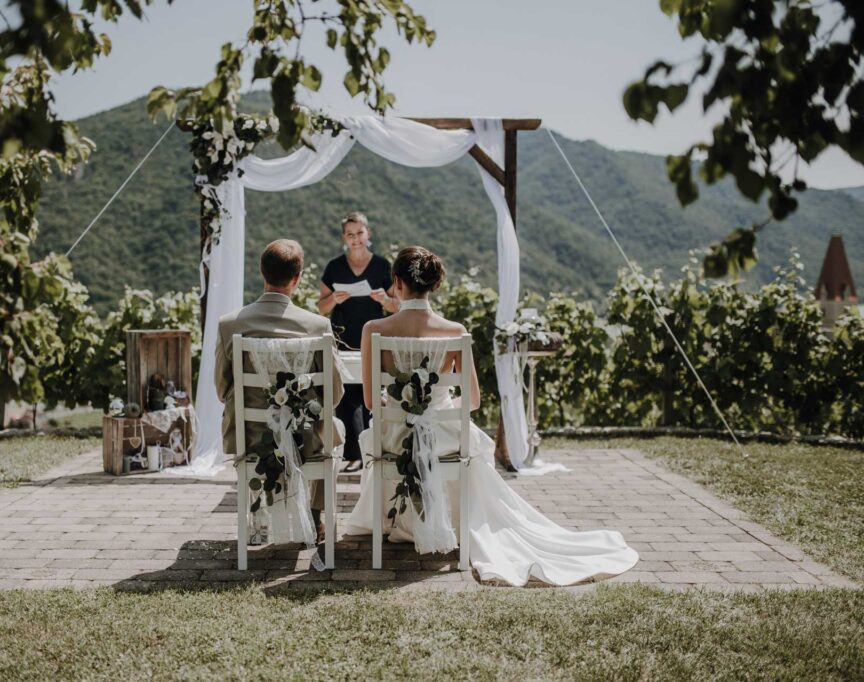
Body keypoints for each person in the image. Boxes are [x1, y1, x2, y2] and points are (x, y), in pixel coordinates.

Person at [345, 246, 639, 586]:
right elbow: (471, 401)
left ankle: (401, 520)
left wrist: (400, 408)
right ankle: (458, 524)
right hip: (443, 435)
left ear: (396, 283)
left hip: (393, 435)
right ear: (433, 284)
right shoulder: (454, 330)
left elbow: (370, 402)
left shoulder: (373, 329)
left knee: (377, 435)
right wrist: (438, 410)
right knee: (469, 445)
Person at [215, 239, 345, 542]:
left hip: (250, 434)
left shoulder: (230, 324)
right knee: (334, 427)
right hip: (305, 436)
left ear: (262, 273)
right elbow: (335, 394)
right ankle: (314, 514)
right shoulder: (317, 325)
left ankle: (259, 518)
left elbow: (222, 389)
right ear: (297, 279)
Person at [318, 212, 397, 472]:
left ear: (368, 234)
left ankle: (374, 452)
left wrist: (384, 300)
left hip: (375, 339)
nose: (355, 239)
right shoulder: (334, 267)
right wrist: (335, 300)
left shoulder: (383, 266)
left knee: (372, 397)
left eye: (359, 233)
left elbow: (399, 306)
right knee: (346, 398)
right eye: (350, 234)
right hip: (343, 340)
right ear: (344, 238)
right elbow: (321, 307)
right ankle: (355, 455)